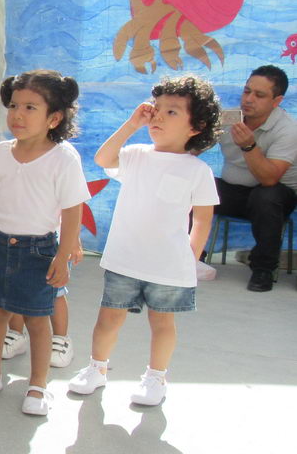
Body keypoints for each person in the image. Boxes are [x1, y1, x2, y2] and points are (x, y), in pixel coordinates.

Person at [69, 76, 221, 406]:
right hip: (124, 259)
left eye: (172, 112)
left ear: (196, 126)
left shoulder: (197, 170)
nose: (158, 117)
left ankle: (156, 377)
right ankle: (97, 368)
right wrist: (131, 123)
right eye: (157, 109)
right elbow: (103, 159)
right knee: (108, 318)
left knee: (162, 323)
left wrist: (190, 258)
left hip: (168, 264)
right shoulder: (136, 154)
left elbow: (203, 218)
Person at [0, 71, 89, 416]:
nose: (18, 115)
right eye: (14, 106)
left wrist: (63, 257)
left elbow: (71, 211)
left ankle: (38, 385)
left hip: (39, 250)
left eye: (30, 107)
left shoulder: (63, 158)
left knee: (38, 320)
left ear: (54, 117)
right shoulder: (1, 153)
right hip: (0, 245)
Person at [213, 65, 297, 292]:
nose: (249, 99)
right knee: (194, 183)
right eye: (247, 91)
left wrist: (249, 146)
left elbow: (270, 178)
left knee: (266, 196)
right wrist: (197, 132)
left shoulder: (287, 129)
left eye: (259, 95)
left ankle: (263, 269)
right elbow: (189, 152)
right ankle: (190, 255)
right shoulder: (227, 118)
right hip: (234, 190)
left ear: (276, 101)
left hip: (274, 195)